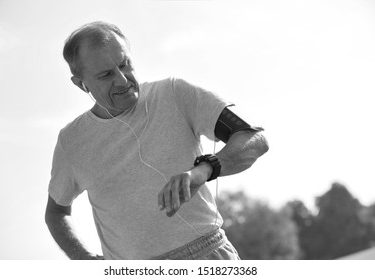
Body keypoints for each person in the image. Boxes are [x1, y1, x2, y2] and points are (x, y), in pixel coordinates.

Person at [45, 21, 269, 260]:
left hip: (208, 255)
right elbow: (56, 212)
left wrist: (203, 170)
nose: (122, 80)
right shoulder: (72, 141)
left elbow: (254, 137)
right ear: (81, 84)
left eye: (125, 64)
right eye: (106, 75)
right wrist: (83, 258)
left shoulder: (174, 93)